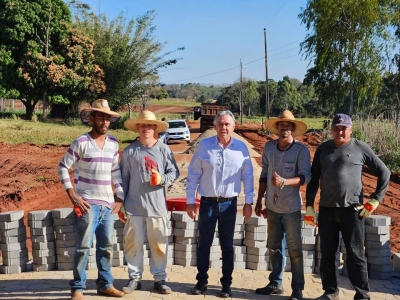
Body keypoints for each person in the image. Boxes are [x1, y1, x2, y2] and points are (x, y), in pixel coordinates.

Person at [305, 113, 390, 300]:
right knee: (327, 254)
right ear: (332, 129)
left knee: (355, 254)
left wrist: (375, 200)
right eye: (336, 127)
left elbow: (384, 172)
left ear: (350, 129)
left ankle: (361, 294)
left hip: (353, 210)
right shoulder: (323, 149)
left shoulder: (360, 148)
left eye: (343, 128)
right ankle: (330, 291)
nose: (340, 131)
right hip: (327, 209)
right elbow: (313, 180)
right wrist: (309, 206)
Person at [57, 99, 125, 300]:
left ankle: (105, 285)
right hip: (87, 204)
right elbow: (62, 166)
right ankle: (77, 288)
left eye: (108, 118)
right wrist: (72, 194)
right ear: (92, 118)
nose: (104, 122)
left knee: (106, 247)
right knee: (84, 247)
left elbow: (116, 172)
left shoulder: (113, 143)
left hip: (107, 205)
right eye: (101, 117)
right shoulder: (81, 142)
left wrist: (119, 197)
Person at [186, 110, 254, 298]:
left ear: (234, 126)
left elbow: (247, 177)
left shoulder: (241, 149)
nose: (223, 127)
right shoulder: (204, 146)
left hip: (229, 205)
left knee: (227, 246)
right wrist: (190, 201)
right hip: (207, 203)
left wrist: (249, 202)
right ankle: (201, 281)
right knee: (204, 244)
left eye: (227, 124)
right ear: (214, 126)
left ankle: (226, 284)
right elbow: (193, 175)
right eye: (220, 124)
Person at [119, 110, 179, 295]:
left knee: (159, 244)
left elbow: (174, 172)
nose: (146, 128)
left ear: (156, 128)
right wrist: (121, 204)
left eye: (150, 125)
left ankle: (160, 279)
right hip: (134, 206)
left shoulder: (163, 149)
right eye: (143, 125)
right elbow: (124, 179)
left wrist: (161, 179)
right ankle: (134, 278)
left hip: (157, 206)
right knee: (133, 244)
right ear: (138, 127)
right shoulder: (130, 151)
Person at [254, 110, 311, 300]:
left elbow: (305, 177)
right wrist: (259, 200)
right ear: (277, 127)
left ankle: (298, 288)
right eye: (281, 124)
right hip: (271, 207)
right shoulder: (269, 148)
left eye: (288, 125)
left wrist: (285, 182)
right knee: (274, 246)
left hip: (291, 208)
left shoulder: (301, 150)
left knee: (294, 249)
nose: (284, 127)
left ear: (293, 129)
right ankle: (275, 283)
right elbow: (263, 175)